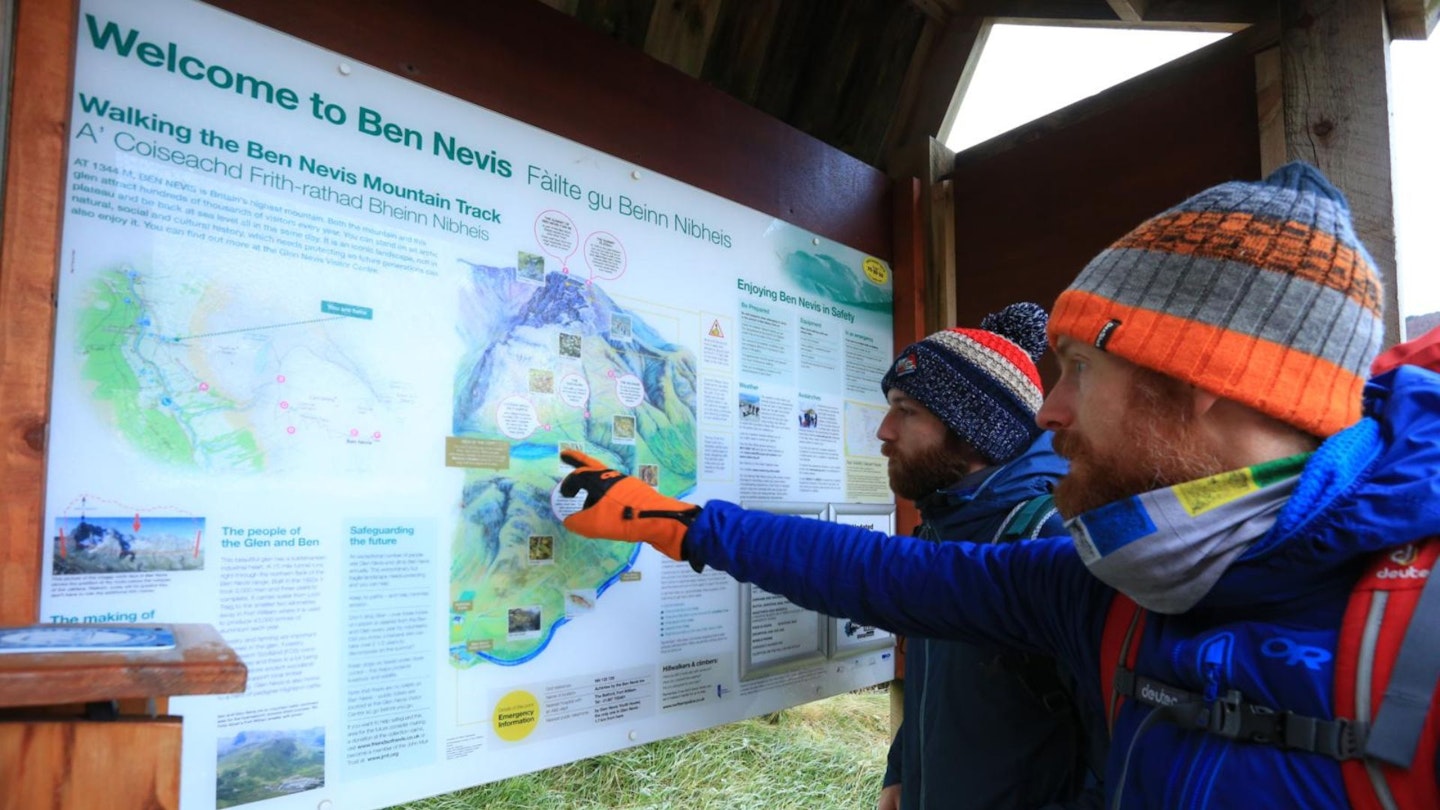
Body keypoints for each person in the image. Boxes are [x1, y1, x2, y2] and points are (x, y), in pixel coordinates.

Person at [558, 162, 1440, 806]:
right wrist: (678, 523)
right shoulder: (1113, 585)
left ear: (1203, 380)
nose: (1049, 412)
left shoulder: (1417, 621)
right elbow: (885, 576)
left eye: (1081, 371)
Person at [871, 302, 1086, 810]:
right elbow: (933, 691)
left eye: (906, 411)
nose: (884, 430)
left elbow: (1112, 743)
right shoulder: (936, 535)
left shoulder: (1051, 541)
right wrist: (902, 772)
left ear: (975, 429)